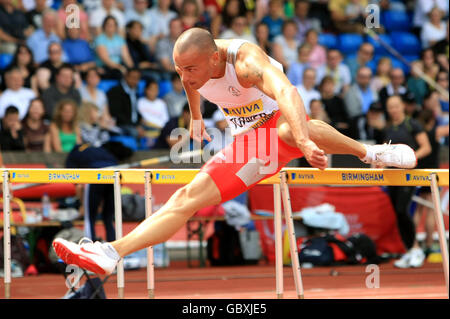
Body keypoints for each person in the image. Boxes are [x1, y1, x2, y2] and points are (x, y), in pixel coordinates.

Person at [52, 29, 418, 275]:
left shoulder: (246, 63)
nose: (186, 76)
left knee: (291, 127)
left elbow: (289, 93)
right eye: (180, 70)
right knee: (185, 197)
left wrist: (306, 141)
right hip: (252, 145)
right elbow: (187, 81)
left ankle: (370, 153)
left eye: (192, 69)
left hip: (283, 121)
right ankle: (110, 253)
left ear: (215, 59)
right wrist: (195, 117)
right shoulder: (191, 66)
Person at [393, 108, 449, 268]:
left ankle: (415, 242)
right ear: (432, 120)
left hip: (418, 173)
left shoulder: (419, 133)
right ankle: (429, 245)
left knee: (418, 210)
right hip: (431, 174)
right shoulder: (436, 131)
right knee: (432, 210)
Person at [382, 95, 431, 263]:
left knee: (403, 210)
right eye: (390, 107)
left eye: (396, 106)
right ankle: (409, 249)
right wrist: (379, 163)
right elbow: (384, 150)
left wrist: (410, 159)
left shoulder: (412, 124)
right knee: (397, 213)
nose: (393, 110)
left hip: (408, 175)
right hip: (391, 175)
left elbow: (426, 147)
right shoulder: (388, 128)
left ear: (402, 106)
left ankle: (416, 248)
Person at [65, 141, 133, 242]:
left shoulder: (73, 155)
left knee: (89, 218)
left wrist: (83, 205)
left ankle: (90, 247)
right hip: (114, 176)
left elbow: (78, 185)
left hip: (96, 176)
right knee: (109, 218)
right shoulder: (101, 151)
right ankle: (114, 246)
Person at [94, 15, 134, 79]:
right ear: (104, 26)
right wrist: (120, 68)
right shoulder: (100, 39)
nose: (111, 27)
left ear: (116, 27)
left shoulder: (120, 39)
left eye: (113, 25)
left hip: (119, 66)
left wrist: (133, 69)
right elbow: (106, 60)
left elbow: (126, 57)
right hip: (105, 67)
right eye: (108, 25)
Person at [106, 67, 141, 138]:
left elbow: (135, 111)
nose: (135, 81)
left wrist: (139, 123)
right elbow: (115, 113)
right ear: (126, 77)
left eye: (137, 78)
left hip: (134, 124)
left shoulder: (136, 92)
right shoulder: (115, 91)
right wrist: (134, 125)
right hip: (121, 124)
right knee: (135, 132)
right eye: (133, 77)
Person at [137, 79, 170, 148]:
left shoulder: (161, 103)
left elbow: (165, 120)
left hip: (160, 130)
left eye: (156, 89)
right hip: (146, 129)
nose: (153, 92)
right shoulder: (140, 102)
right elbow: (142, 119)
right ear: (146, 90)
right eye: (151, 89)